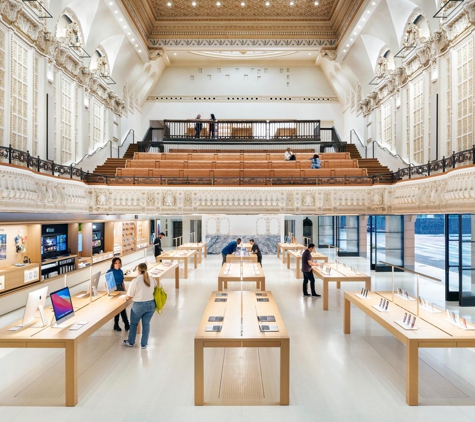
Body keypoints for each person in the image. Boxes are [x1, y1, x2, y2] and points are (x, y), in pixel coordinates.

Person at [123, 263, 156, 349]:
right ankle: (144, 344)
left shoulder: (135, 281)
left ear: (138, 270)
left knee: (133, 324)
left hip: (139, 305)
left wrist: (125, 299)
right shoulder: (152, 279)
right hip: (151, 305)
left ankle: (131, 342)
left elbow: (129, 296)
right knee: (146, 324)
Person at [107, 257, 130, 332]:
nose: (118, 264)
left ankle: (118, 324)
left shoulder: (120, 271)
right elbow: (106, 283)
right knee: (118, 308)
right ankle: (125, 324)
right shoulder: (110, 272)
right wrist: (110, 291)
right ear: (113, 264)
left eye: (119, 263)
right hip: (114, 290)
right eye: (116, 263)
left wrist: (125, 290)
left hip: (120, 289)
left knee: (122, 307)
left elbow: (122, 282)